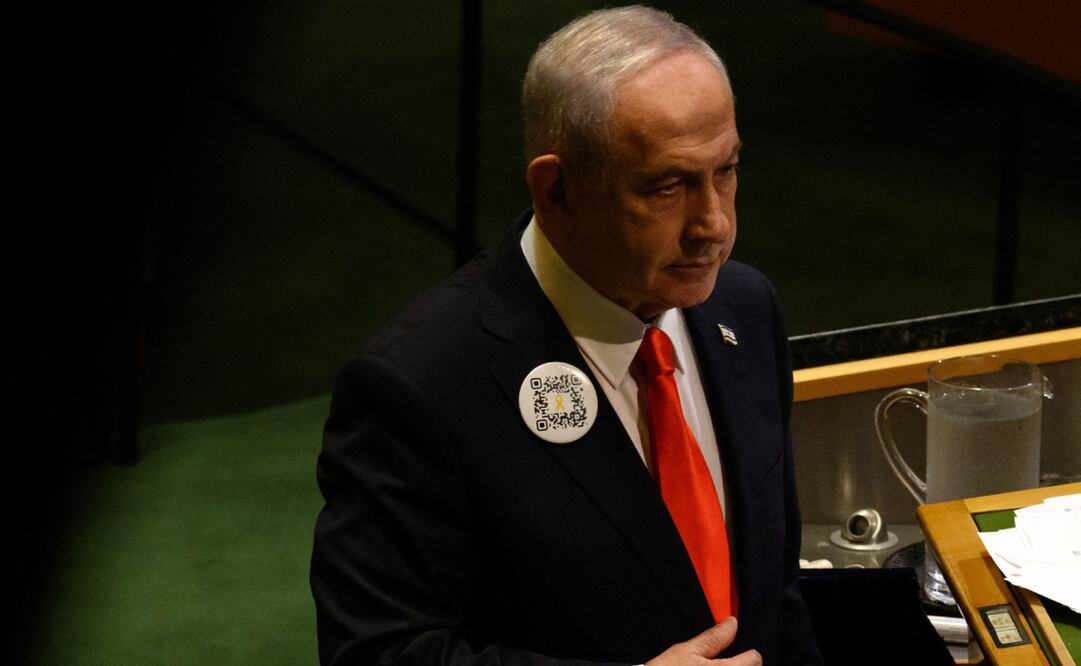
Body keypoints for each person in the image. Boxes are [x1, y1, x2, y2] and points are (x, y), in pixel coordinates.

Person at [311, 5, 821, 665]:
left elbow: (775, 596)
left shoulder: (744, 309)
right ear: (556, 191)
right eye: (666, 187)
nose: (713, 226)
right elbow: (377, 652)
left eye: (724, 171)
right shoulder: (419, 385)